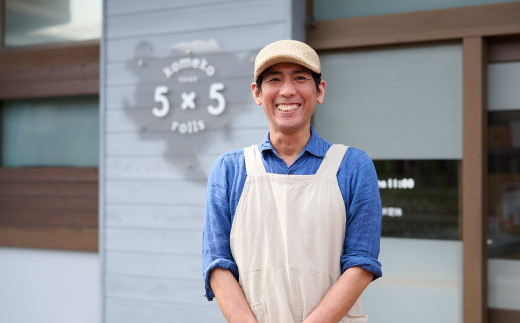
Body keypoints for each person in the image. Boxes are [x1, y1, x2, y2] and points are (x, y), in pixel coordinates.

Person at [202, 39, 382, 323]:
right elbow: (217, 264)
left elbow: (362, 264)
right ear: (257, 93)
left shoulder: (354, 166)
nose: (287, 90)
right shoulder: (229, 169)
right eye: (274, 79)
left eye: (300, 78)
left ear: (319, 90)